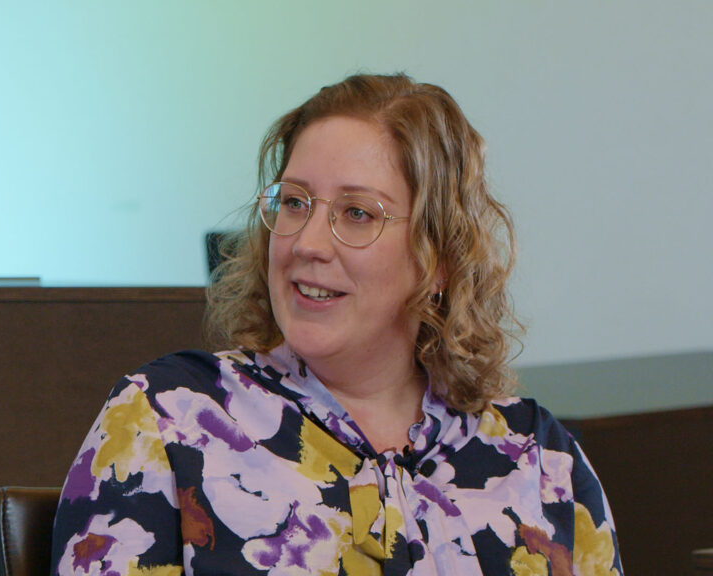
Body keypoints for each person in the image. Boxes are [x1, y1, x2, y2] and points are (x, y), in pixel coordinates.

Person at [50, 73, 622, 575]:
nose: (307, 243)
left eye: (357, 213)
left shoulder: (540, 459)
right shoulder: (167, 417)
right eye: (294, 202)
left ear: (440, 259)